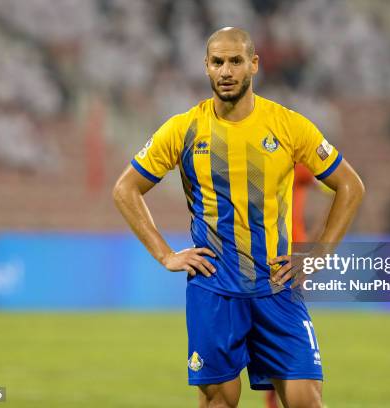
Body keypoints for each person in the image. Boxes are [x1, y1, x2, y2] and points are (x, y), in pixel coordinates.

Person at [113, 27, 365, 408]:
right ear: (206, 67)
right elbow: (125, 189)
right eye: (218, 62)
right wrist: (166, 254)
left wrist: (316, 254)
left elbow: (350, 185)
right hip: (214, 289)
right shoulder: (183, 129)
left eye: (235, 61)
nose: (226, 71)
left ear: (254, 64)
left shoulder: (287, 125)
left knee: (306, 402)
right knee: (220, 402)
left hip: (277, 286)